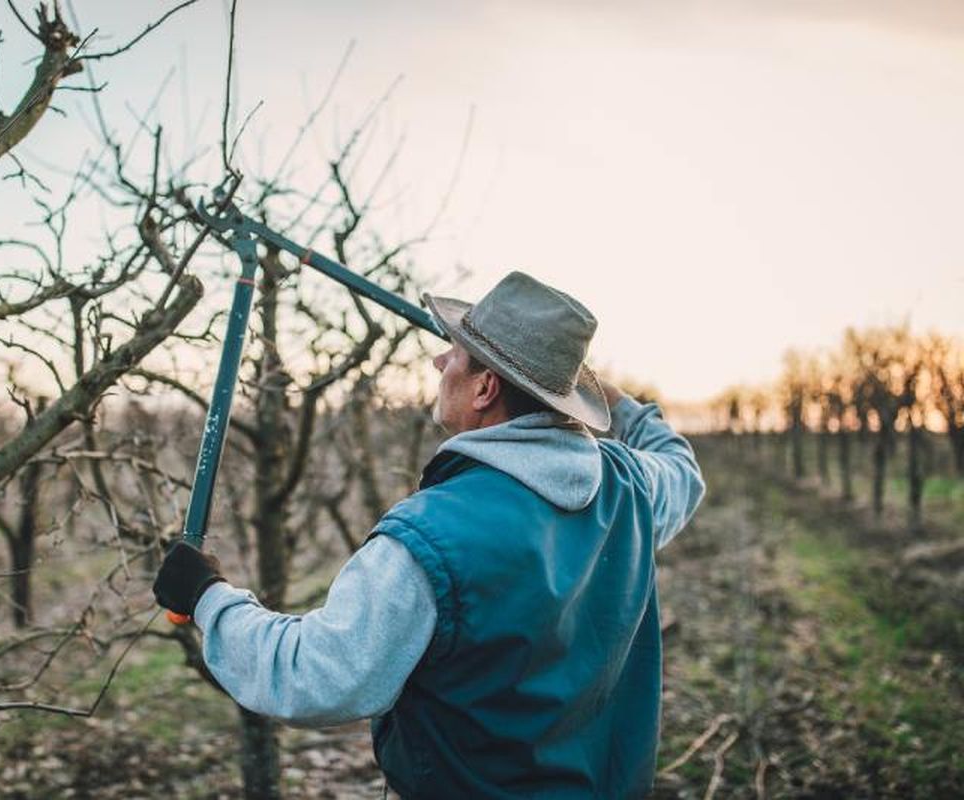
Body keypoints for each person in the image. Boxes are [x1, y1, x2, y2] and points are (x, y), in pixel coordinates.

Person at [154, 271, 706, 799]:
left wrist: (207, 597)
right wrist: (612, 400)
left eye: (456, 354)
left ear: (486, 387)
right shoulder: (631, 484)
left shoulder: (430, 538)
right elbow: (681, 468)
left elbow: (316, 676)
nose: (440, 359)